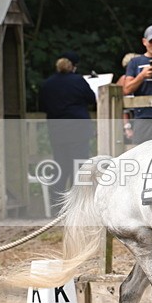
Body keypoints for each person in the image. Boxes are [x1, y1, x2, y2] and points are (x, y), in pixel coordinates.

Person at [39, 50, 97, 211]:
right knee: (79, 167)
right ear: (73, 66)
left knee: (61, 166)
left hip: (57, 130)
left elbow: (42, 105)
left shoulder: (47, 83)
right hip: (78, 129)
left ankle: (56, 206)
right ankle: (80, 204)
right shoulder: (78, 81)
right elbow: (92, 99)